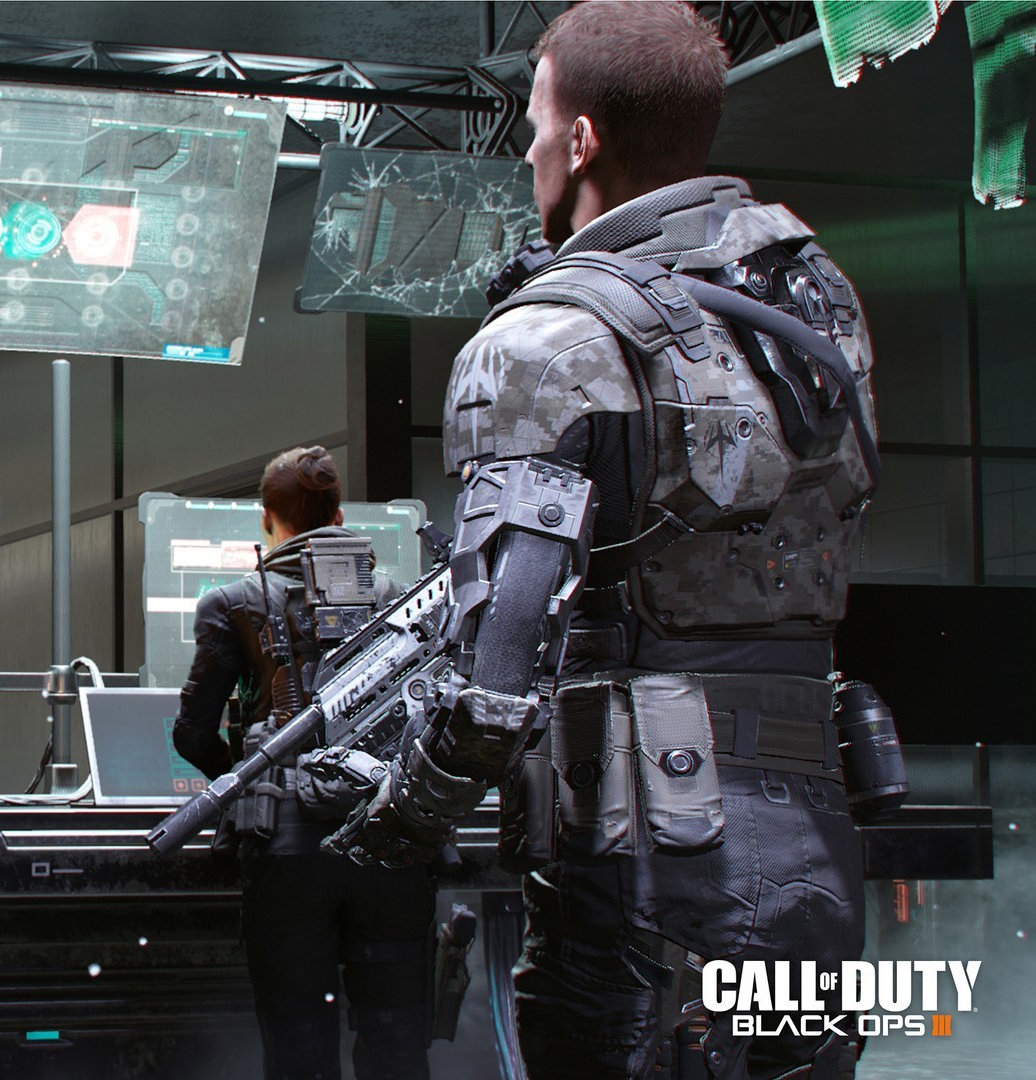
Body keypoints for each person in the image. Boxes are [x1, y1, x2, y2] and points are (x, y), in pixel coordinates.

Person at [339, 4, 880, 1078]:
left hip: (642, 877)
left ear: (580, 140)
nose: (529, 152)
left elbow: (494, 685)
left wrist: (396, 816)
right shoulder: (820, 307)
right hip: (817, 853)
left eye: (536, 125)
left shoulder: (546, 339)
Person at [174, 446, 436, 1080]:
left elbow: (192, 734)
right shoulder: (401, 599)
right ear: (340, 516)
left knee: (298, 1046)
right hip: (388, 836)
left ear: (267, 519)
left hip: (286, 847)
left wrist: (250, 781)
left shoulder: (233, 601)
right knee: (398, 1042)